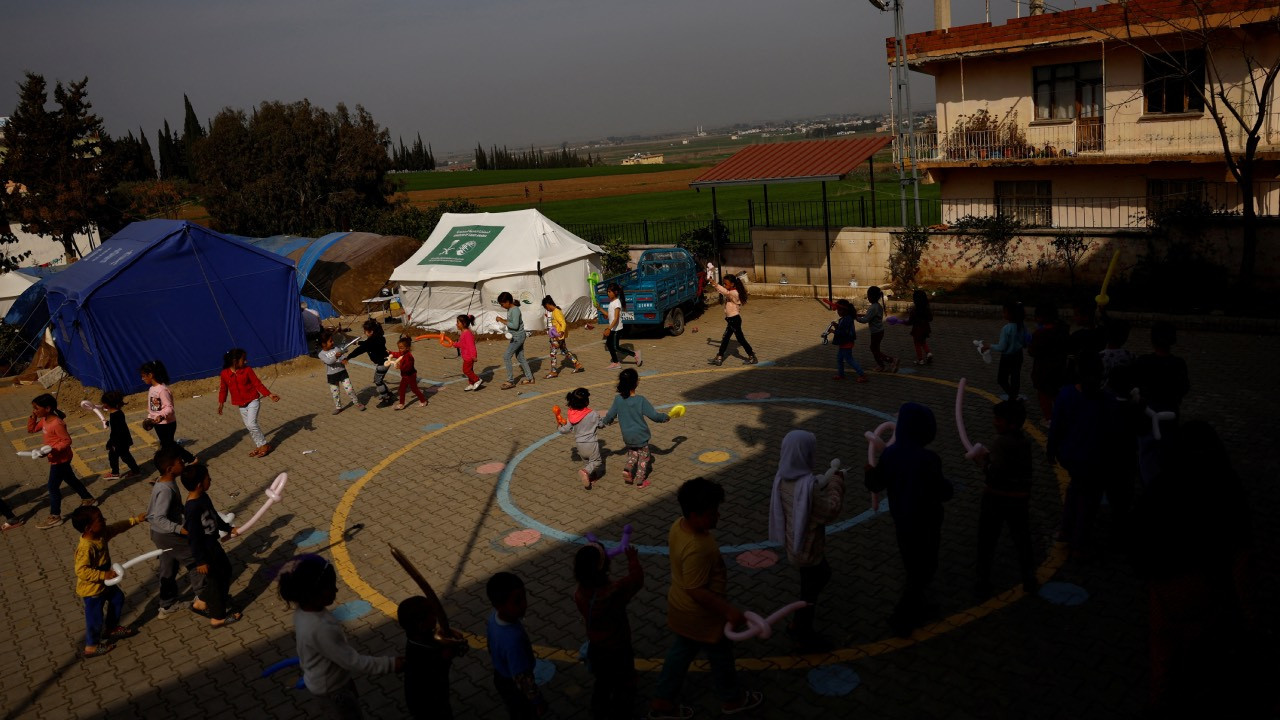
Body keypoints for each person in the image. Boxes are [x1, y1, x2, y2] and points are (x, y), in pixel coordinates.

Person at [1131, 422, 1264, 716]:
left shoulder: (1163, 489)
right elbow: (1242, 550)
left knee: (1164, 651)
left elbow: (1139, 539)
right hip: (1209, 584)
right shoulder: (1226, 486)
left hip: (1166, 584)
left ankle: (1162, 701)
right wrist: (1250, 614)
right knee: (1202, 655)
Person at [649, 477, 763, 718]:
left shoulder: (677, 525)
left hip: (681, 608)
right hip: (702, 615)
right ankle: (732, 699)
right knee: (721, 654)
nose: (717, 517)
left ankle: (662, 700)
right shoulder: (699, 547)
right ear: (693, 514)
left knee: (681, 652)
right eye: (711, 513)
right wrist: (727, 610)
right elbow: (697, 590)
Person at [864, 402, 953, 637]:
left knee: (913, 564)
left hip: (902, 520)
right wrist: (950, 489)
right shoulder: (929, 459)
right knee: (923, 568)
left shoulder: (891, 454)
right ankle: (901, 617)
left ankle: (918, 604)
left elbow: (876, 483)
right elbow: (942, 491)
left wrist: (869, 471)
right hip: (927, 521)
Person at [279, 554, 403, 718]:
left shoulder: (303, 612)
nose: (336, 590)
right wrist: (390, 664)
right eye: (331, 587)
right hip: (333, 693)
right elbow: (353, 661)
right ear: (313, 593)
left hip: (328, 683)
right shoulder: (320, 628)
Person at [767, 430, 845, 649]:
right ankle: (802, 629)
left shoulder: (782, 478)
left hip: (794, 544)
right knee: (813, 585)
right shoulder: (807, 488)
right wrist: (836, 484)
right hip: (808, 548)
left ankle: (800, 621)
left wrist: (821, 482)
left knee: (810, 581)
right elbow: (829, 510)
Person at [1047, 353, 1124, 558]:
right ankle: (1079, 540)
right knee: (1088, 500)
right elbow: (1114, 433)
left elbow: (1056, 426)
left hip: (1071, 455)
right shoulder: (1108, 401)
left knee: (1076, 488)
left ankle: (1066, 529)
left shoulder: (1066, 395)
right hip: (1095, 458)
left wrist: (1051, 449)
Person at [972, 400, 1037, 597]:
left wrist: (983, 462)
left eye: (998, 420)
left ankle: (983, 580)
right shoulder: (1024, 442)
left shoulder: (1001, 443)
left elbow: (995, 473)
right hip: (1019, 499)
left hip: (997, 499)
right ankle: (1029, 578)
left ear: (1011, 423)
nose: (994, 422)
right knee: (1022, 539)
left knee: (987, 540)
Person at [574, 543, 644, 720]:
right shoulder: (614, 592)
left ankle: (599, 710)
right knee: (625, 683)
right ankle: (623, 712)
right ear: (605, 566)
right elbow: (636, 580)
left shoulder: (580, 593)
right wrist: (633, 560)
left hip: (597, 648)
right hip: (619, 648)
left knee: (603, 682)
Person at [70, 505, 146, 658]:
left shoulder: (101, 535)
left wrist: (135, 520)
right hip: (92, 591)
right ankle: (91, 646)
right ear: (88, 528)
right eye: (100, 519)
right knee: (95, 618)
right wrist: (103, 574)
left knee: (118, 598)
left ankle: (111, 628)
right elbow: (81, 571)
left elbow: (117, 527)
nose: (104, 521)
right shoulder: (86, 548)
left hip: (105, 584)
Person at [147, 446, 205, 617]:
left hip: (160, 535)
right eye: (180, 462)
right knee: (196, 560)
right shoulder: (165, 489)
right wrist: (181, 529)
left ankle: (166, 605)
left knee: (168, 566)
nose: (183, 463)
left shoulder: (164, 481)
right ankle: (203, 598)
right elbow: (159, 517)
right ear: (170, 469)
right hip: (168, 535)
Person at [181, 464, 240, 627]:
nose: (211, 480)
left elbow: (214, 516)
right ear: (200, 484)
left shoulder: (203, 497)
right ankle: (217, 617)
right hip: (206, 551)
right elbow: (193, 537)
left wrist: (228, 528)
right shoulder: (192, 508)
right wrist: (200, 561)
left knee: (225, 571)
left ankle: (202, 602)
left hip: (213, 545)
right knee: (217, 581)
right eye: (208, 478)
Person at [1132, 321, 1189, 486]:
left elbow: (1135, 384)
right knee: (1168, 449)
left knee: (1147, 451)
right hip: (1169, 413)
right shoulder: (1178, 363)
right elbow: (1184, 387)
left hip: (1147, 414)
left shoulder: (1143, 361)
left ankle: (1149, 483)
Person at [485, 572, 548, 719]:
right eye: (517, 601)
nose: (524, 604)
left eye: (524, 597)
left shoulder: (493, 618)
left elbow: (490, 645)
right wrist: (537, 702)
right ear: (499, 605)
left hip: (500, 676)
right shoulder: (514, 639)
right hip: (514, 686)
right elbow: (523, 679)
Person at [28, 393, 95, 530]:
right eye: (34, 408)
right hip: (55, 458)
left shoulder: (57, 423)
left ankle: (55, 516)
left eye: (36, 408)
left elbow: (67, 441)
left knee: (52, 487)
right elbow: (31, 429)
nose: (35, 410)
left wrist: (51, 450)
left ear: (47, 408)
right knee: (71, 479)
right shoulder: (45, 420)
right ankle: (88, 498)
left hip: (61, 459)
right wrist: (33, 417)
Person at [399, 595, 467, 720]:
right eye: (431, 614)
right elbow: (439, 667)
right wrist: (446, 658)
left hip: (433, 697)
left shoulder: (419, 637)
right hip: (428, 704)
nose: (435, 616)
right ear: (421, 624)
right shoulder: (422, 652)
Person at [602, 369, 670, 489]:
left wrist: (604, 422)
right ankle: (640, 480)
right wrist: (665, 417)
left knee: (633, 452)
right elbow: (654, 416)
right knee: (644, 457)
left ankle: (628, 468)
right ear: (636, 383)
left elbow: (610, 415)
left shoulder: (618, 399)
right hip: (641, 435)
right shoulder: (640, 400)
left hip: (627, 436)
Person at [217, 348, 280, 458]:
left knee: (251, 424)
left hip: (253, 400)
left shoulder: (247, 370)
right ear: (235, 361)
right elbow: (223, 389)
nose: (246, 361)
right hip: (241, 405)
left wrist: (269, 395)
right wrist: (221, 403)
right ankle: (259, 445)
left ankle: (265, 445)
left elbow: (257, 384)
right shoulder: (224, 374)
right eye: (243, 359)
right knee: (249, 426)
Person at [141, 360, 197, 464]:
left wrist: (161, 416)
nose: (142, 378)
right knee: (166, 444)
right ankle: (177, 462)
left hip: (167, 424)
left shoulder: (162, 390)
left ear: (151, 375)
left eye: (144, 376)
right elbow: (153, 408)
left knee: (169, 444)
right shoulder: (152, 389)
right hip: (158, 423)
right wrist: (150, 418)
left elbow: (169, 408)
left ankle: (190, 459)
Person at [1028, 305, 1069, 427]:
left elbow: (1032, 351)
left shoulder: (1041, 334)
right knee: (1055, 392)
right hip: (1059, 367)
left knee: (1043, 394)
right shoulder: (1062, 329)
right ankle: (1060, 415)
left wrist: (1030, 341)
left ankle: (1049, 418)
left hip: (1043, 370)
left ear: (1040, 318)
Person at [558, 387, 606, 490]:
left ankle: (590, 479)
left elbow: (565, 430)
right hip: (591, 443)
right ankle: (585, 472)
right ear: (586, 402)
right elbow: (601, 424)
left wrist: (559, 426)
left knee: (587, 462)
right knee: (596, 462)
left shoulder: (572, 414)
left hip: (579, 444)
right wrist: (603, 422)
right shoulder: (593, 413)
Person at [345, 319, 396, 407]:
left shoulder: (370, 342)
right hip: (385, 361)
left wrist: (348, 357)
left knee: (378, 381)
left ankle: (386, 399)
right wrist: (358, 342)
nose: (364, 333)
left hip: (382, 364)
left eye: (365, 331)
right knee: (379, 380)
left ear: (371, 332)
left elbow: (360, 350)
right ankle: (389, 394)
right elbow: (367, 343)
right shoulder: (380, 338)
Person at [708, 275, 756, 366]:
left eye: (726, 284)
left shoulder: (734, 293)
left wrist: (714, 283)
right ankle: (719, 357)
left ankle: (752, 356)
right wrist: (711, 342)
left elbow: (724, 292)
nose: (725, 285)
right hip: (731, 320)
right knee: (725, 338)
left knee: (740, 339)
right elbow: (725, 291)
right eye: (724, 284)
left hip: (734, 320)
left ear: (733, 284)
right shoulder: (731, 291)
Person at [984, 301, 1027, 400]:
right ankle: (1014, 395)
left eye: (1005, 312)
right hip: (1018, 356)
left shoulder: (1007, 329)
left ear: (1011, 314)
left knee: (1002, 379)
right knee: (1015, 378)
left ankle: (1012, 397)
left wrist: (988, 346)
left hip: (1007, 358)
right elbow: (1025, 342)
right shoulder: (1022, 326)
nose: (1003, 314)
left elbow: (1001, 347)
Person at [318, 330, 365, 415]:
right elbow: (329, 362)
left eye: (332, 340)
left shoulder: (336, 348)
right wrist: (336, 356)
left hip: (342, 372)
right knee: (335, 392)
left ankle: (357, 403)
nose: (333, 342)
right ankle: (338, 407)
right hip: (332, 375)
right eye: (330, 341)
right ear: (323, 344)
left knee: (349, 389)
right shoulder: (321, 354)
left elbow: (342, 356)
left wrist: (343, 359)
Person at [497, 292, 535, 389]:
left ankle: (510, 381)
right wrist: (504, 321)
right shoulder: (510, 309)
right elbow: (512, 322)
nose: (502, 306)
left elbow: (515, 325)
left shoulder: (515, 310)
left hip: (518, 337)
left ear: (508, 302)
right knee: (520, 358)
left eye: (502, 304)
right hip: (516, 336)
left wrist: (502, 321)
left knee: (506, 356)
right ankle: (530, 378)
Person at [99, 391, 141, 480]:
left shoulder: (115, 416)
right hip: (123, 440)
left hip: (120, 442)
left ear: (106, 405)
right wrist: (108, 423)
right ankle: (116, 472)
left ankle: (135, 471)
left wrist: (111, 443)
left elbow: (115, 432)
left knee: (125, 457)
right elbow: (117, 426)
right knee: (114, 456)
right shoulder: (118, 413)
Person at [856, 285, 897, 372]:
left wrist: (855, 318)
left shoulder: (872, 308)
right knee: (875, 349)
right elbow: (870, 316)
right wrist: (859, 315)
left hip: (876, 332)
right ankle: (882, 365)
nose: (868, 297)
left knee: (874, 349)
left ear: (872, 296)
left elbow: (865, 320)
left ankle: (890, 360)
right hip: (879, 331)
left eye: (868, 295)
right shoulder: (877, 306)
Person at [542, 295, 583, 379]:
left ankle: (553, 372)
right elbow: (557, 321)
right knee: (564, 351)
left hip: (558, 337)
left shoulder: (556, 311)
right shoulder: (555, 311)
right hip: (559, 337)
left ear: (548, 304)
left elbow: (563, 323)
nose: (547, 309)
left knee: (553, 353)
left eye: (546, 307)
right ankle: (577, 364)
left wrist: (561, 331)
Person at [602, 283, 640, 370]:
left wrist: (608, 328)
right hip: (612, 328)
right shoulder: (612, 302)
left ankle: (634, 354)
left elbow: (616, 318)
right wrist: (600, 308)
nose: (608, 293)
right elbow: (609, 315)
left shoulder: (617, 303)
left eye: (609, 291)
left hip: (617, 329)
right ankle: (616, 363)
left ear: (615, 292)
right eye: (607, 291)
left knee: (616, 347)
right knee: (609, 344)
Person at [830, 299, 867, 382]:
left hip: (847, 342)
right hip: (844, 342)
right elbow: (842, 329)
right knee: (839, 359)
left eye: (840, 310)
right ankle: (841, 375)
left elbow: (843, 332)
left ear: (845, 310)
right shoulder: (844, 318)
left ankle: (862, 375)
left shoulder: (847, 319)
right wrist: (836, 325)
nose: (838, 312)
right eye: (838, 310)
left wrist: (834, 331)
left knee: (849, 359)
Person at [389, 335, 429, 410]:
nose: (400, 350)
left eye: (401, 348)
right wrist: (390, 352)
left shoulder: (409, 357)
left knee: (414, 389)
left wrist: (400, 367)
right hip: (405, 376)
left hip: (410, 375)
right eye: (399, 348)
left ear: (407, 348)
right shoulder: (402, 353)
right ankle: (401, 404)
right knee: (401, 389)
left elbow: (408, 367)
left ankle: (423, 401)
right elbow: (397, 354)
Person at [905, 289, 934, 365]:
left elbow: (910, 321)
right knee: (923, 342)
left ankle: (920, 360)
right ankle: (928, 353)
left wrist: (902, 322)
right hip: (925, 328)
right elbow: (930, 318)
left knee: (917, 344)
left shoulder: (914, 310)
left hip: (917, 329)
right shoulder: (927, 308)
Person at [457, 314, 484, 391]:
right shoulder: (463, 333)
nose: (456, 324)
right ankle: (471, 384)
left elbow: (471, 346)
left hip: (469, 357)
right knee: (470, 370)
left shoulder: (467, 334)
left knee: (466, 370)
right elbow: (462, 343)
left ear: (464, 324)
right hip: (466, 356)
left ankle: (477, 380)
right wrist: (453, 344)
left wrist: (474, 356)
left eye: (458, 322)